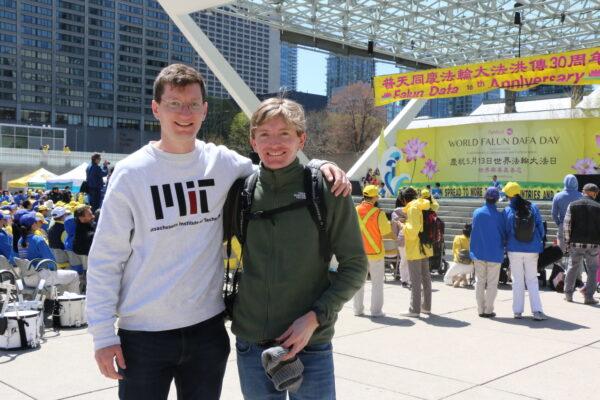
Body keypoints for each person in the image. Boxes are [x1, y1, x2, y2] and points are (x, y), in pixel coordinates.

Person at [86, 63, 350, 400]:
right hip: (143, 336)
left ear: (205, 109)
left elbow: (277, 167)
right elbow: (106, 259)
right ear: (156, 108)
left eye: (194, 104)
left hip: (206, 332)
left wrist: (318, 166)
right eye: (174, 104)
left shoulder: (223, 163)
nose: (185, 113)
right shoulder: (130, 173)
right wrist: (102, 336)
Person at [231, 98, 367, 400]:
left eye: (285, 134)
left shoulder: (328, 190)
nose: (274, 144)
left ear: (301, 139)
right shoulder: (242, 191)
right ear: (253, 140)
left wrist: (316, 317)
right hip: (251, 344)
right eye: (264, 134)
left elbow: (356, 266)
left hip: (311, 343)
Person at [503, 182, 547, 320]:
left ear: (508, 195)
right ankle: (537, 311)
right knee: (532, 279)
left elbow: (505, 231)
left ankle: (517, 311)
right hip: (532, 249)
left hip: (514, 249)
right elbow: (541, 228)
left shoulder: (508, 210)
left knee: (517, 280)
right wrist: (538, 243)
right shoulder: (533, 207)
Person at [353, 184, 392, 317]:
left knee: (358, 282)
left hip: (358, 253)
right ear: (374, 197)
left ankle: (358, 310)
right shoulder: (379, 213)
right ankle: (376, 311)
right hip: (375, 253)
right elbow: (386, 231)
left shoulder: (354, 210)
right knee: (377, 284)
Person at [17, 212, 80, 293]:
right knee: (74, 275)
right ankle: (74, 303)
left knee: (64, 276)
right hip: (41, 278)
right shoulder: (38, 239)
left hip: (27, 279)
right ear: (33, 225)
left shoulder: (20, 241)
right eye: (36, 221)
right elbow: (51, 262)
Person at [470, 187, 507, 318]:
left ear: (485, 197)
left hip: (478, 252)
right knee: (492, 283)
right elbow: (504, 234)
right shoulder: (500, 216)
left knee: (480, 281)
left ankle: (480, 309)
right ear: (497, 199)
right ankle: (488, 310)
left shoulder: (477, 213)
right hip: (495, 253)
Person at [563, 183, 600, 304]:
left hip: (575, 242)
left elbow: (567, 225)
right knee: (593, 270)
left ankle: (568, 295)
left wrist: (567, 241)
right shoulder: (598, 207)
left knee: (572, 267)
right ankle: (589, 297)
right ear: (593, 193)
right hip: (594, 244)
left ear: (584, 192)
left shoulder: (572, 205)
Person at [402, 187, 435, 317]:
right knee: (426, 278)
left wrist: (402, 226)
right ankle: (426, 307)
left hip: (415, 248)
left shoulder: (412, 208)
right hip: (425, 246)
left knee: (415, 280)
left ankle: (414, 309)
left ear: (405, 199)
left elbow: (412, 232)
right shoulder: (423, 205)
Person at [551, 174, 582, 253]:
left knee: (559, 253)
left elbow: (554, 214)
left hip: (563, 225)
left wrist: (559, 223)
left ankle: (559, 265)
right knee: (576, 254)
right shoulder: (581, 196)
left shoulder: (557, 196)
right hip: (577, 227)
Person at [443, 223, 473, 288]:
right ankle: (465, 280)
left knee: (446, 279)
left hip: (459, 264)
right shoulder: (473, 240)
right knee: (463, 269)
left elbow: (456, 253)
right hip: (471, 267)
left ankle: (459, 278)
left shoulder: (458, 238)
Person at [391, 190, 410, 287]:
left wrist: (395, 238)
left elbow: (394, 228)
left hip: (401, 238)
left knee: (403, 260)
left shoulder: (396, 212)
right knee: (412, 260)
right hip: (413, 238)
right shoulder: (414, 209)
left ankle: (404, 280)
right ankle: (410, 279)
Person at [73, 205, 95, 271]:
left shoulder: (87, 225)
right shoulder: (85, 235)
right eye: (90, 215)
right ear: (81, 218)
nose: (93, 216)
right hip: (86, 255)